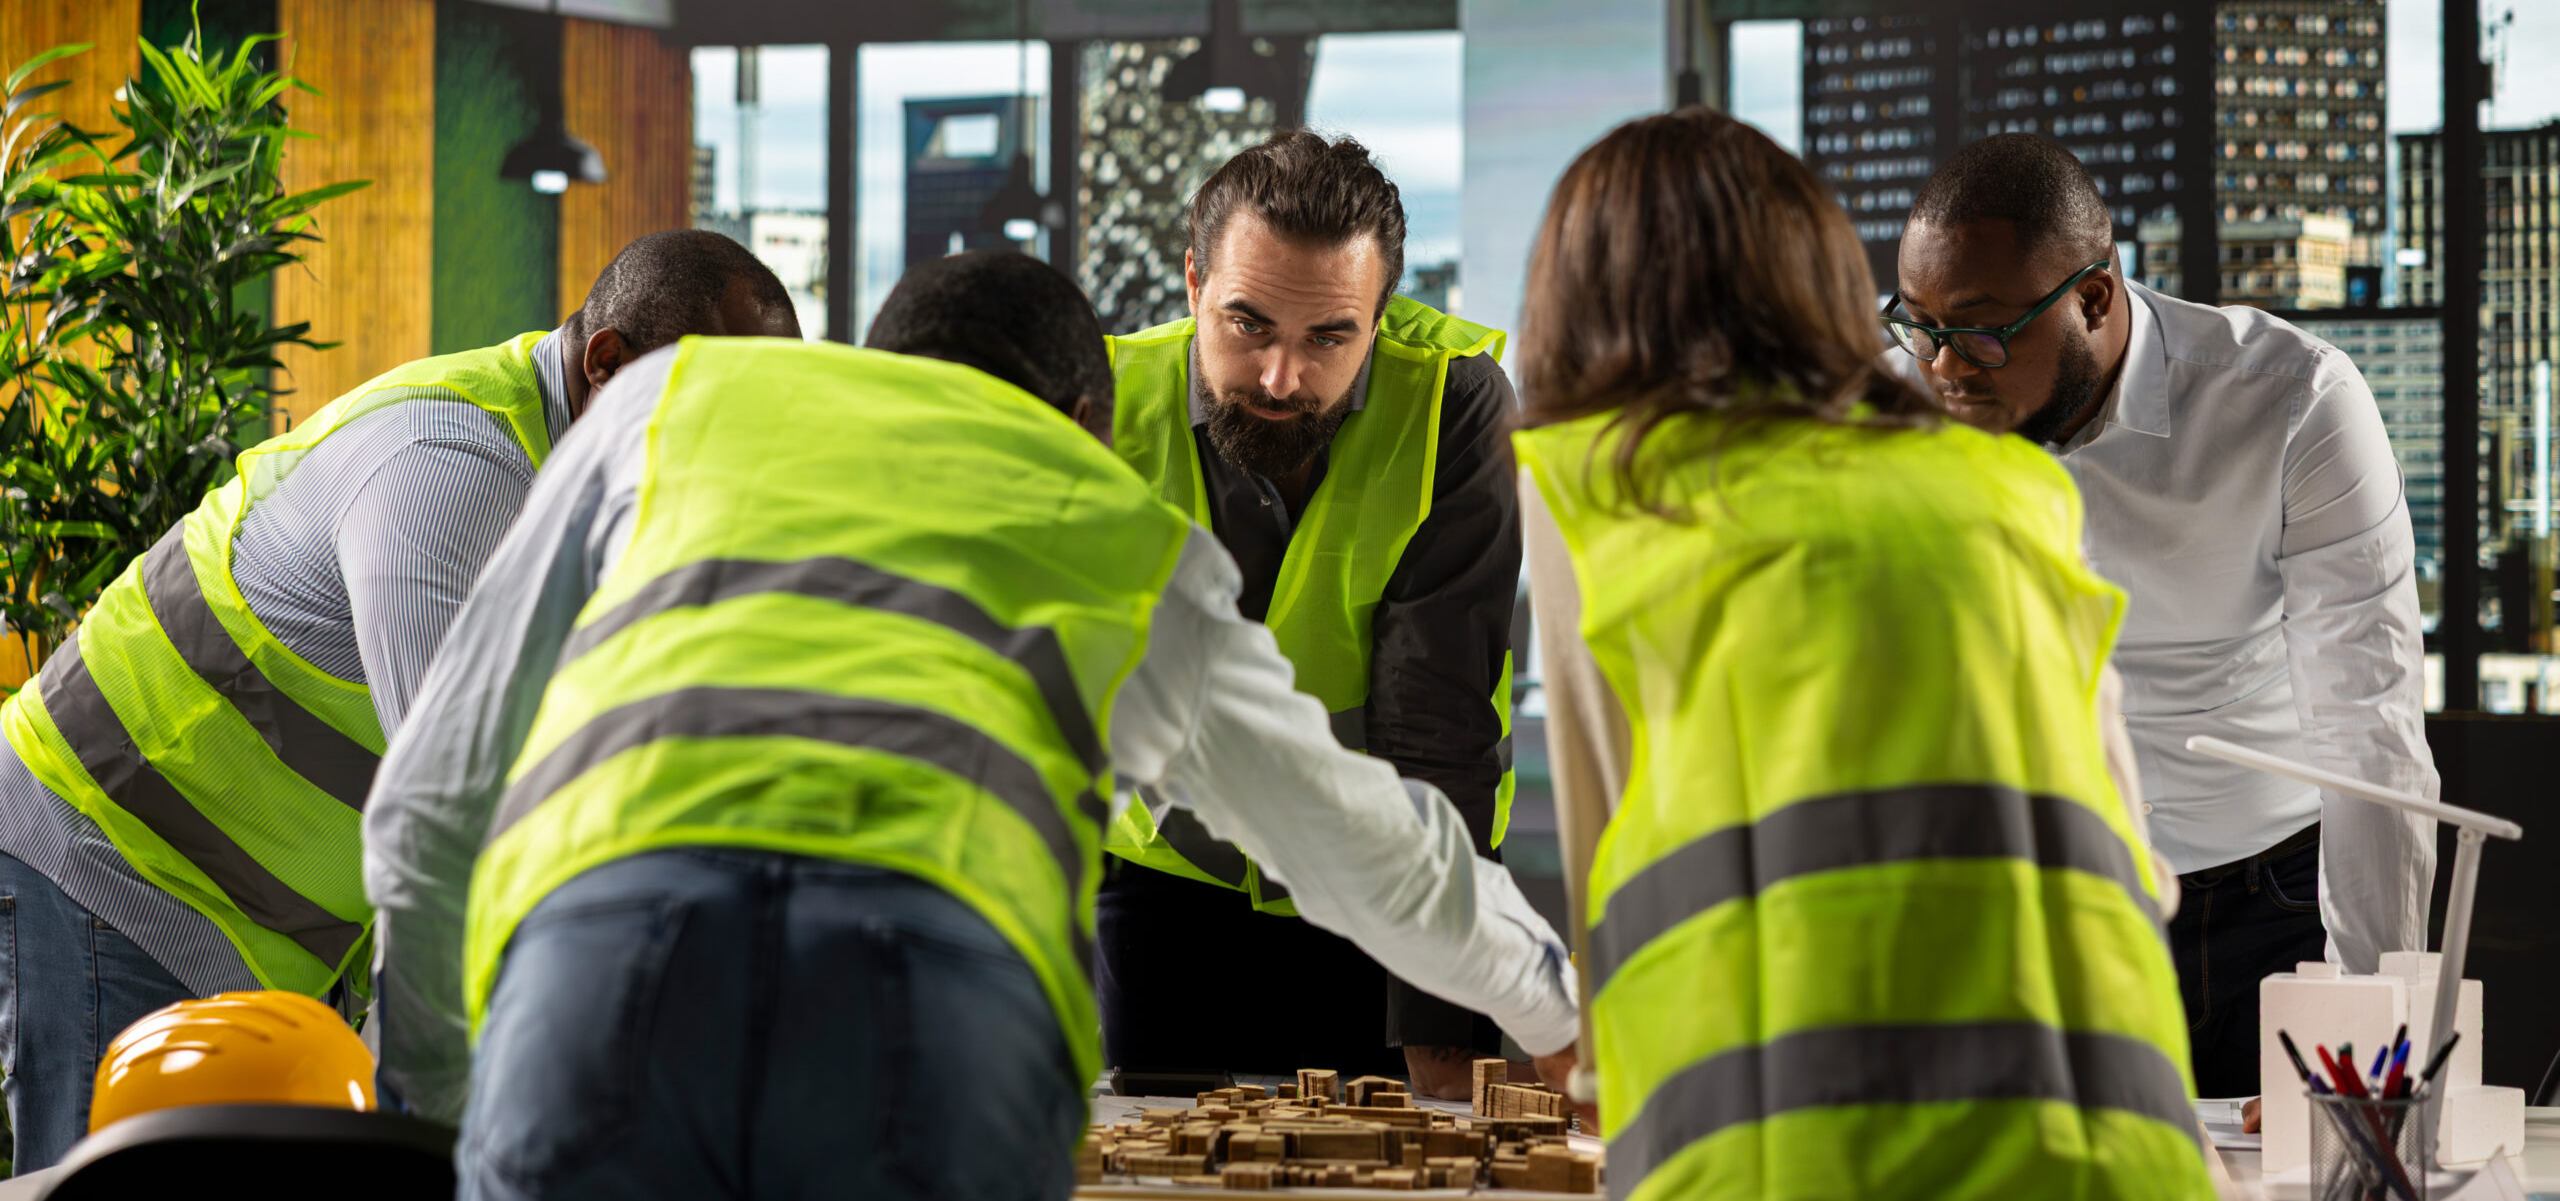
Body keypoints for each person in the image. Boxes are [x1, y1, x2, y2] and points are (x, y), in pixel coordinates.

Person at [360, 251, 1577, 1201]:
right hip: (936, 1003)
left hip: (598, 968)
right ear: (1088, 420)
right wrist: (1550, 1013)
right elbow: (1359, 847)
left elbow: (430, 810)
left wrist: (442, 1106)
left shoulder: (663, 405)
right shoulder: (1118, 529)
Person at [1517, 109, 2208, 1199]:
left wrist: (1603, 1077)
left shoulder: (1592, 485)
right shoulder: (2007, 487)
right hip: (2112, 1141)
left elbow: (1600, 820)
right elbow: (2129, 853)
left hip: (1786, 1144)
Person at [0, 229, 798, 1172]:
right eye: (711, 415)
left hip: (260, 925)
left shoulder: (588, 493)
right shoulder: (453, 473)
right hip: (110, 860)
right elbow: (477, 821)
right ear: (608, 363)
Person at [1890, 134, 2436, 1098]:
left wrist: (2369, 1044)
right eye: (1918, 325)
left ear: (2095, 298)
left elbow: (2368, 734)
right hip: (2049, 891)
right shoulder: (1903, 401)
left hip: (2273, 896)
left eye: (1978, 331)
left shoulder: (2292, 405)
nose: (1943, 367)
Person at [1100, 129, 1519, 1095]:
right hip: (1171, 892)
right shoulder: (1105, 405)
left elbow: (1439, 715)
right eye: (1247, 326)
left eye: (1330, 336)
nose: (1282, 379)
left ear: (1382, 314)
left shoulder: (1454, 409)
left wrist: (1441, 1003)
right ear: (1194, 282)